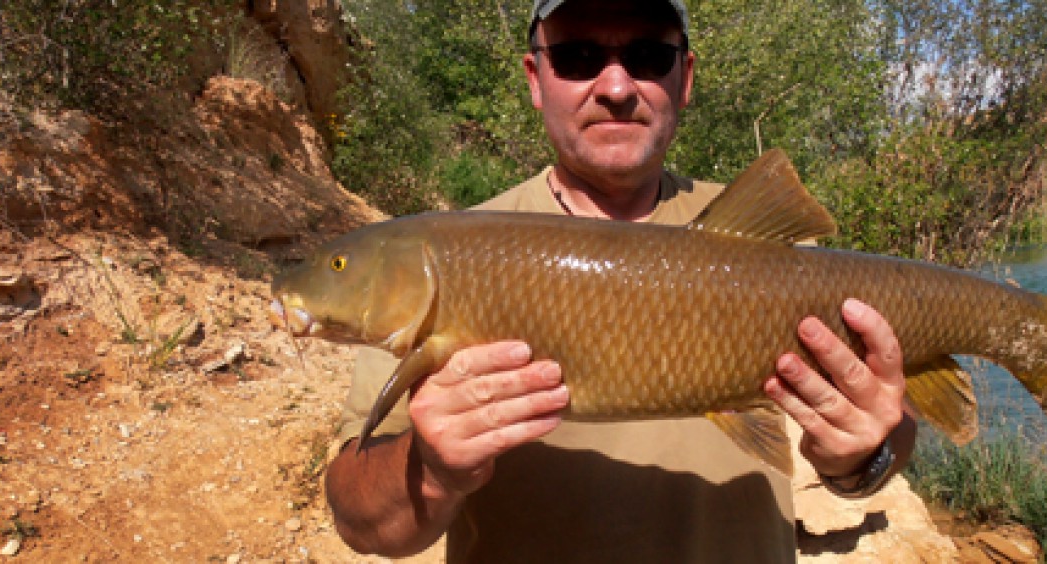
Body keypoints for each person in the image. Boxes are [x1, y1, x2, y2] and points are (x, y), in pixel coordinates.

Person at [322, 1, 916, 561]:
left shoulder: (779, 256)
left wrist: (864, 457)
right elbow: (358, 518)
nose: (615, 87)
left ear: (684, 77)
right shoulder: (447, 256)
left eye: (648, 57)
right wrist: (431, 469)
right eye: (578, 58)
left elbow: (896, 427)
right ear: (534, 78)